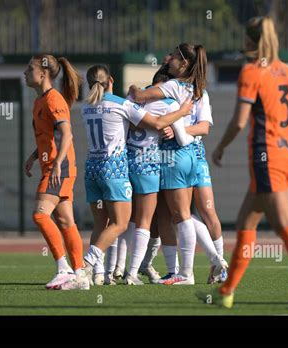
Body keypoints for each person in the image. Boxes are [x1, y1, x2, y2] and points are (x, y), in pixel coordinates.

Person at [210, 16, 288, 309]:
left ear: (249, 41)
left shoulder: (251, 73)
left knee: (285, 224)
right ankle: (226, 291)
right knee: (246, 220)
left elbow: (239, 121)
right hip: (287, 156)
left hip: (267, 157)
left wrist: (220, 147)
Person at [61, 65, 193, 289]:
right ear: (110, 80)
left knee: (101, 223)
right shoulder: (121, 104)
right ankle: (85, 266)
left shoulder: (86, 107)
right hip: (113, 169)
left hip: (91, 168)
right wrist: (181, 112)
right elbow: (158, 123)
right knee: (122, 223)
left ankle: (100, 275)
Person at [129, 43, 226, 285]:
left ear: (184, 63)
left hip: (174, 155)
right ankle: (215, 263)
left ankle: (186, 272)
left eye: (173, 56)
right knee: (193, 213)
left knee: (180, 215)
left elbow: (138, 97)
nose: (168, 58)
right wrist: (181, 127)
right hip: (195, 155)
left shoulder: (172, 85)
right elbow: (204, 127)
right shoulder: (199, 91)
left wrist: (132, 88)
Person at [124, 65, 196, 285]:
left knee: (122, 220)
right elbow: (183, 139)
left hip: (125, 162)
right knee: (178, 216)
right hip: (152, 163)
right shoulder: (171, 104)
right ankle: (135, 272)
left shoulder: (133, 102)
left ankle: (109, 270)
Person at [23, 54, 87, 290]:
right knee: (64, 220)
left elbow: (67, 135)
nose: (25, 73)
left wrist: (58, 163)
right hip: (52, 165)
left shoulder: (53, 99)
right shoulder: (39, 101)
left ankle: (64, 269)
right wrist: (32, 157)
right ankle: (80, 274)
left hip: (59, 168)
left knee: (40, 215)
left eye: (29, 69)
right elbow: (48, 137)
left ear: (43, 73)